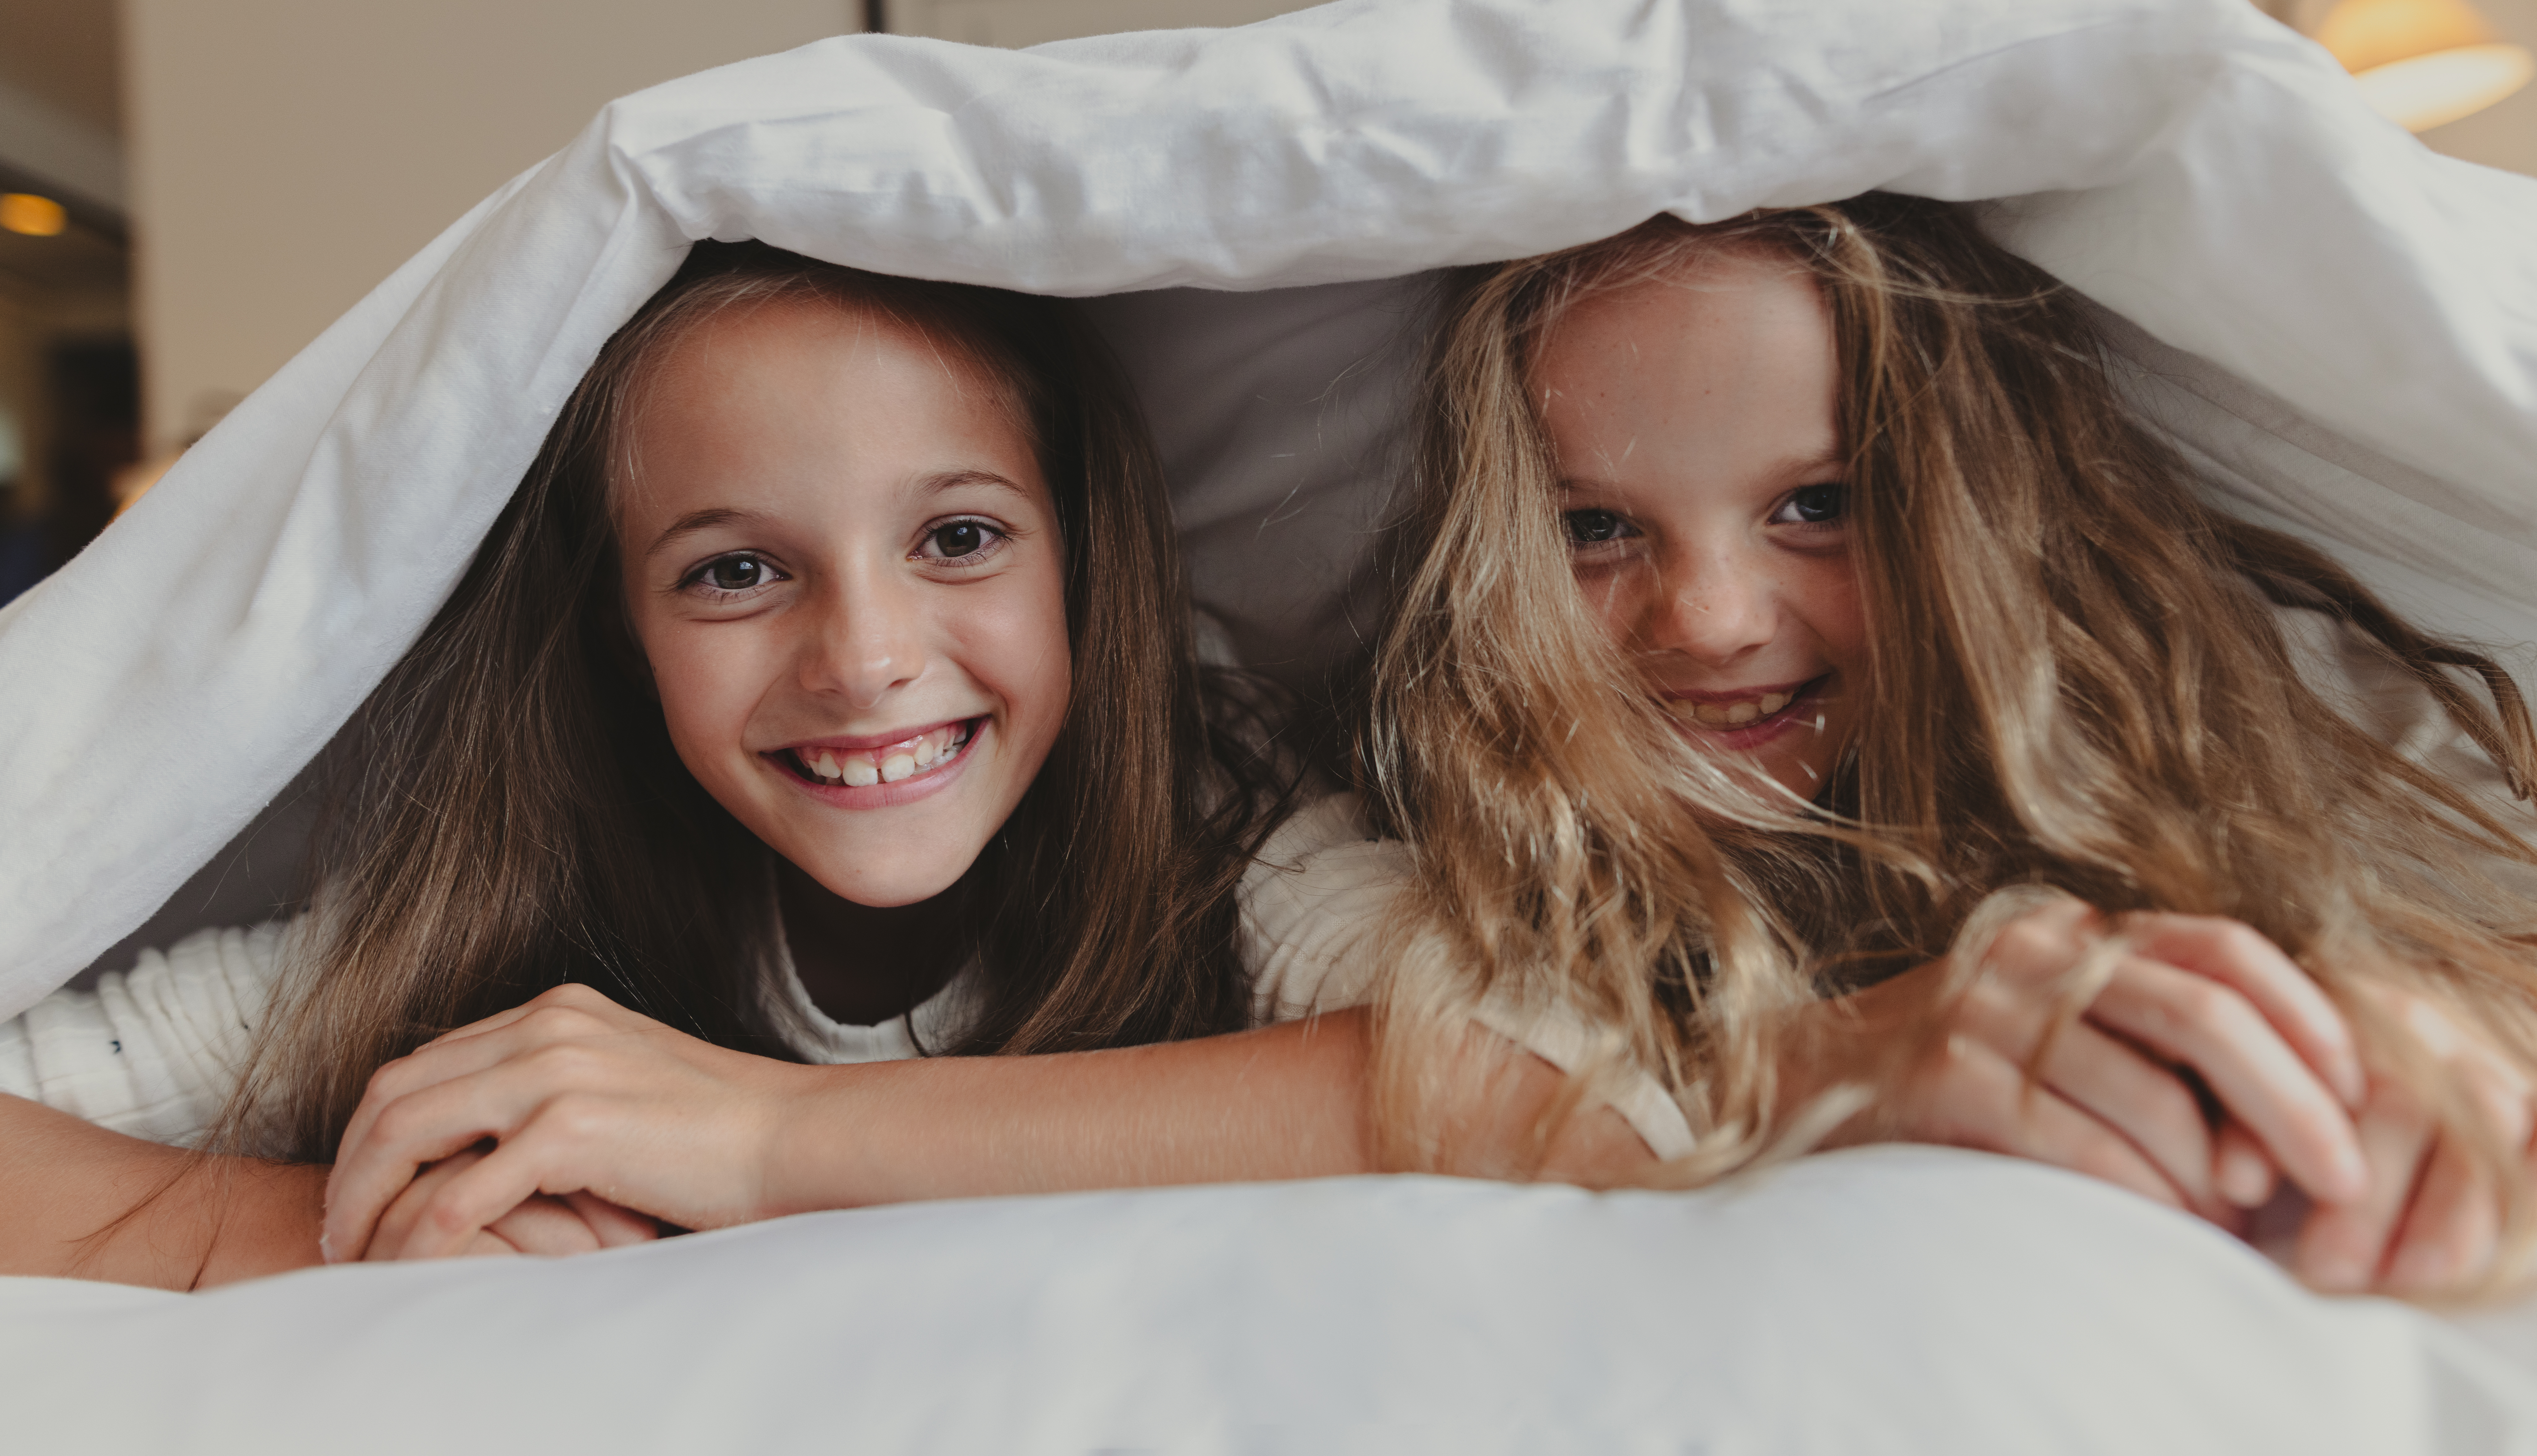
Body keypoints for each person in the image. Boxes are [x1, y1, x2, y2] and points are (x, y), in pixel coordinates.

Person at [0, 241, 1375, 1282]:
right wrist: (361, 1222)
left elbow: (1551, 1072)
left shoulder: (1215, 811)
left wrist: (765, 1140)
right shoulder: (526, 896)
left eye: (958, 537)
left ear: (1080, 553)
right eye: (734, 570)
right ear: (622, 624)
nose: (864, 657)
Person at [1356, 193, 2537, 1296]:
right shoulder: (1411, 828)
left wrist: (2433, 1016)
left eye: (1818, 505)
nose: (1710, 621)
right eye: (1595, 528)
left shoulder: (2239, 695)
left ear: (1968, 517)